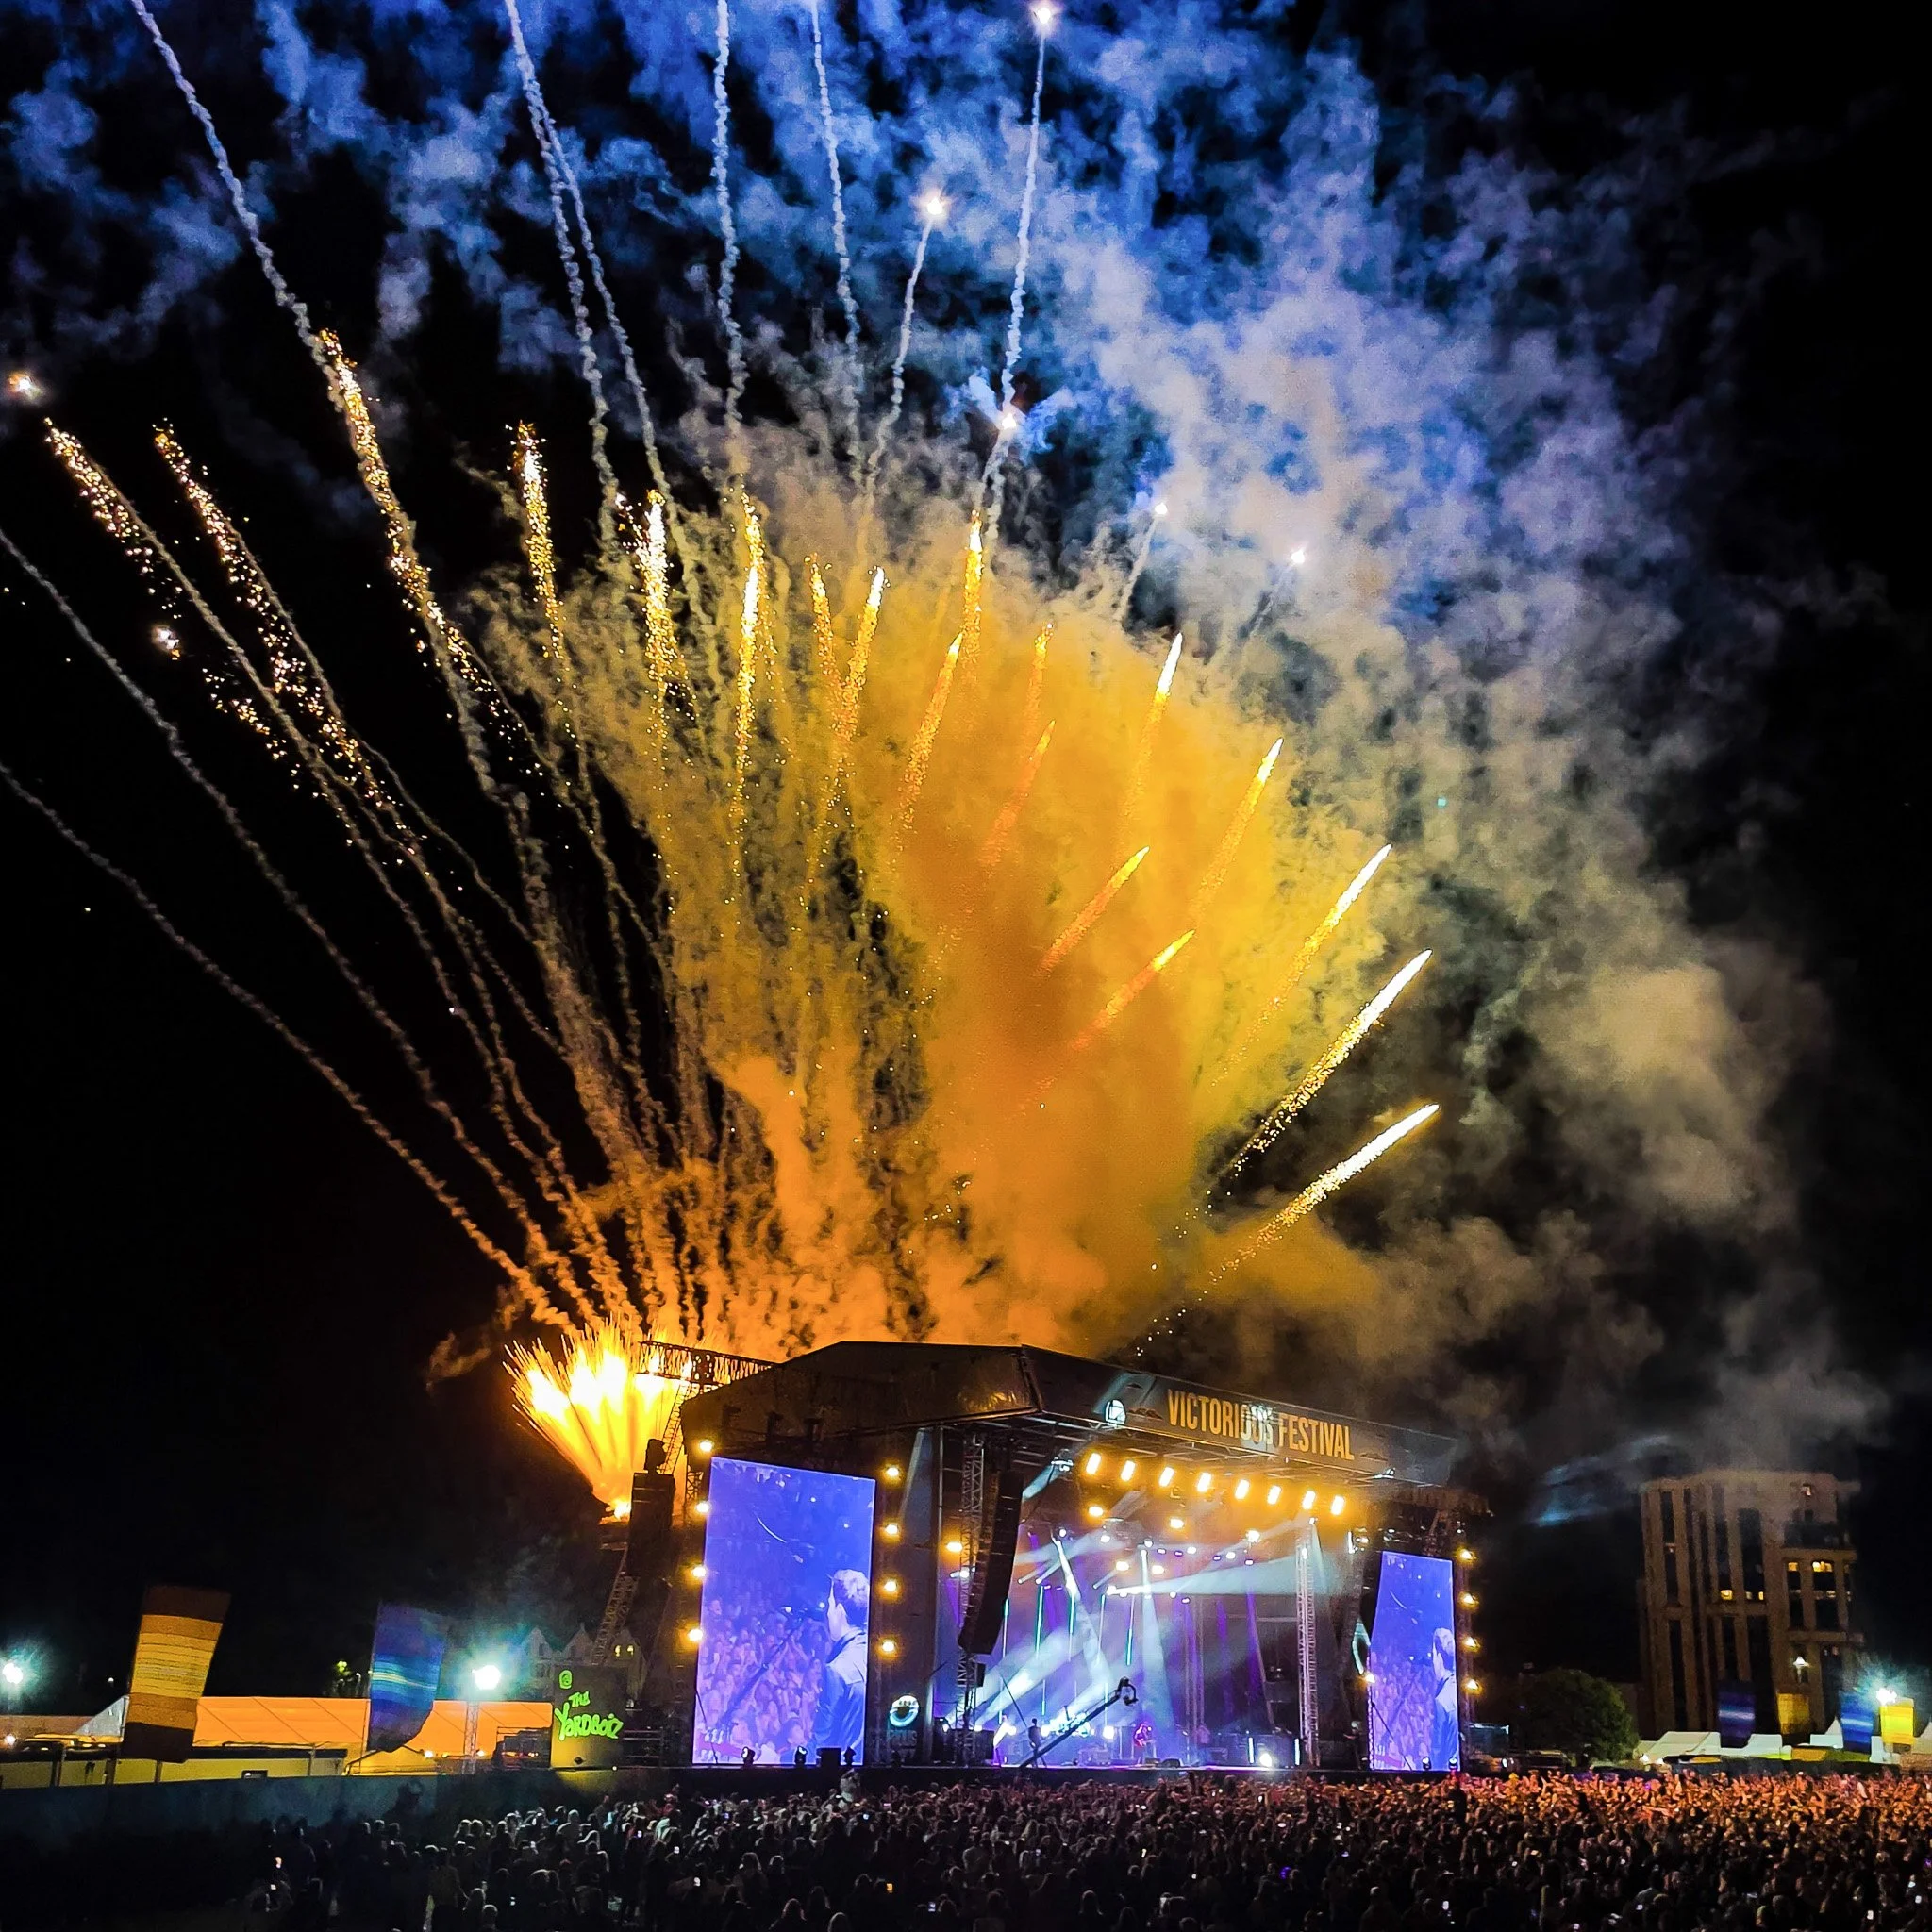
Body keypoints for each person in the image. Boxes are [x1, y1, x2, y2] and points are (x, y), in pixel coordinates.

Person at [810, 1570, 869, 1756]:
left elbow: (823, 1744)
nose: (827, 1614)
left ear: (840, 1610)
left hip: (844, 1774)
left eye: (830, 1605)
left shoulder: (837, 1670)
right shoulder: (870, 1653)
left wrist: (781, 1761)